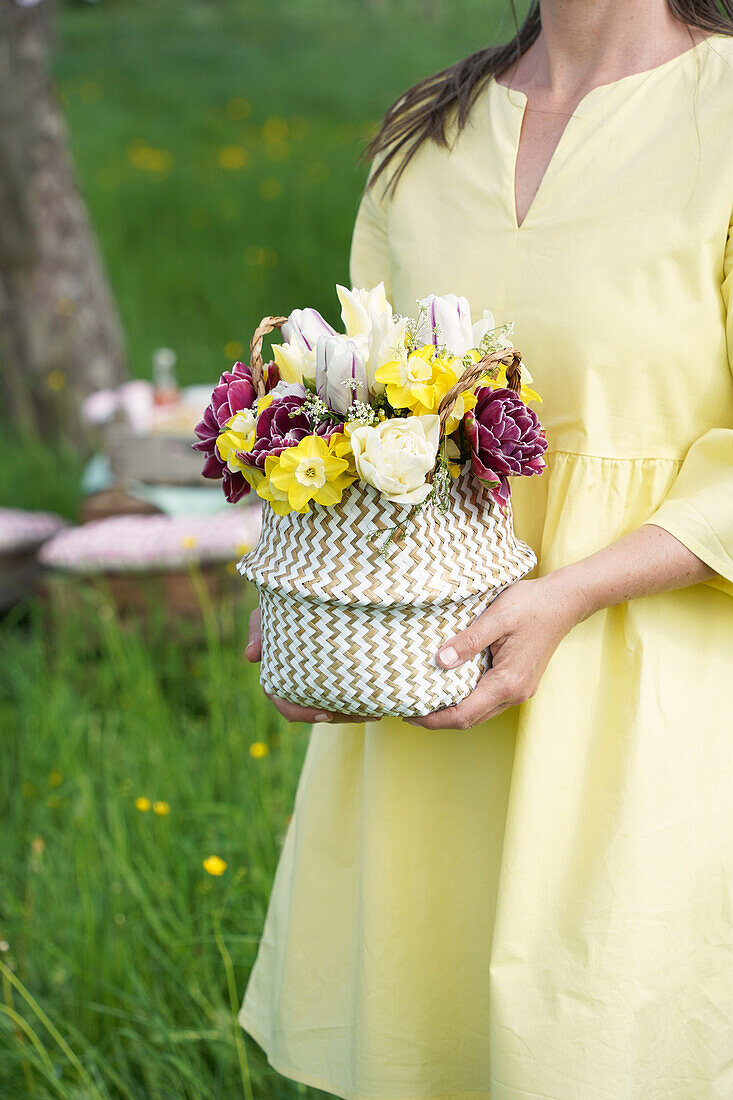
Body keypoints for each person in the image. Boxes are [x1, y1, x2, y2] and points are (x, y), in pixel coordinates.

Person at [239, 2, 733, 1096]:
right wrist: (309, 591)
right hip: (436, 672)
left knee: (615, 1036)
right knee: (436, 1033)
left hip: (652, 683)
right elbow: (353, 405)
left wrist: (569, 595)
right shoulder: (426, 136)